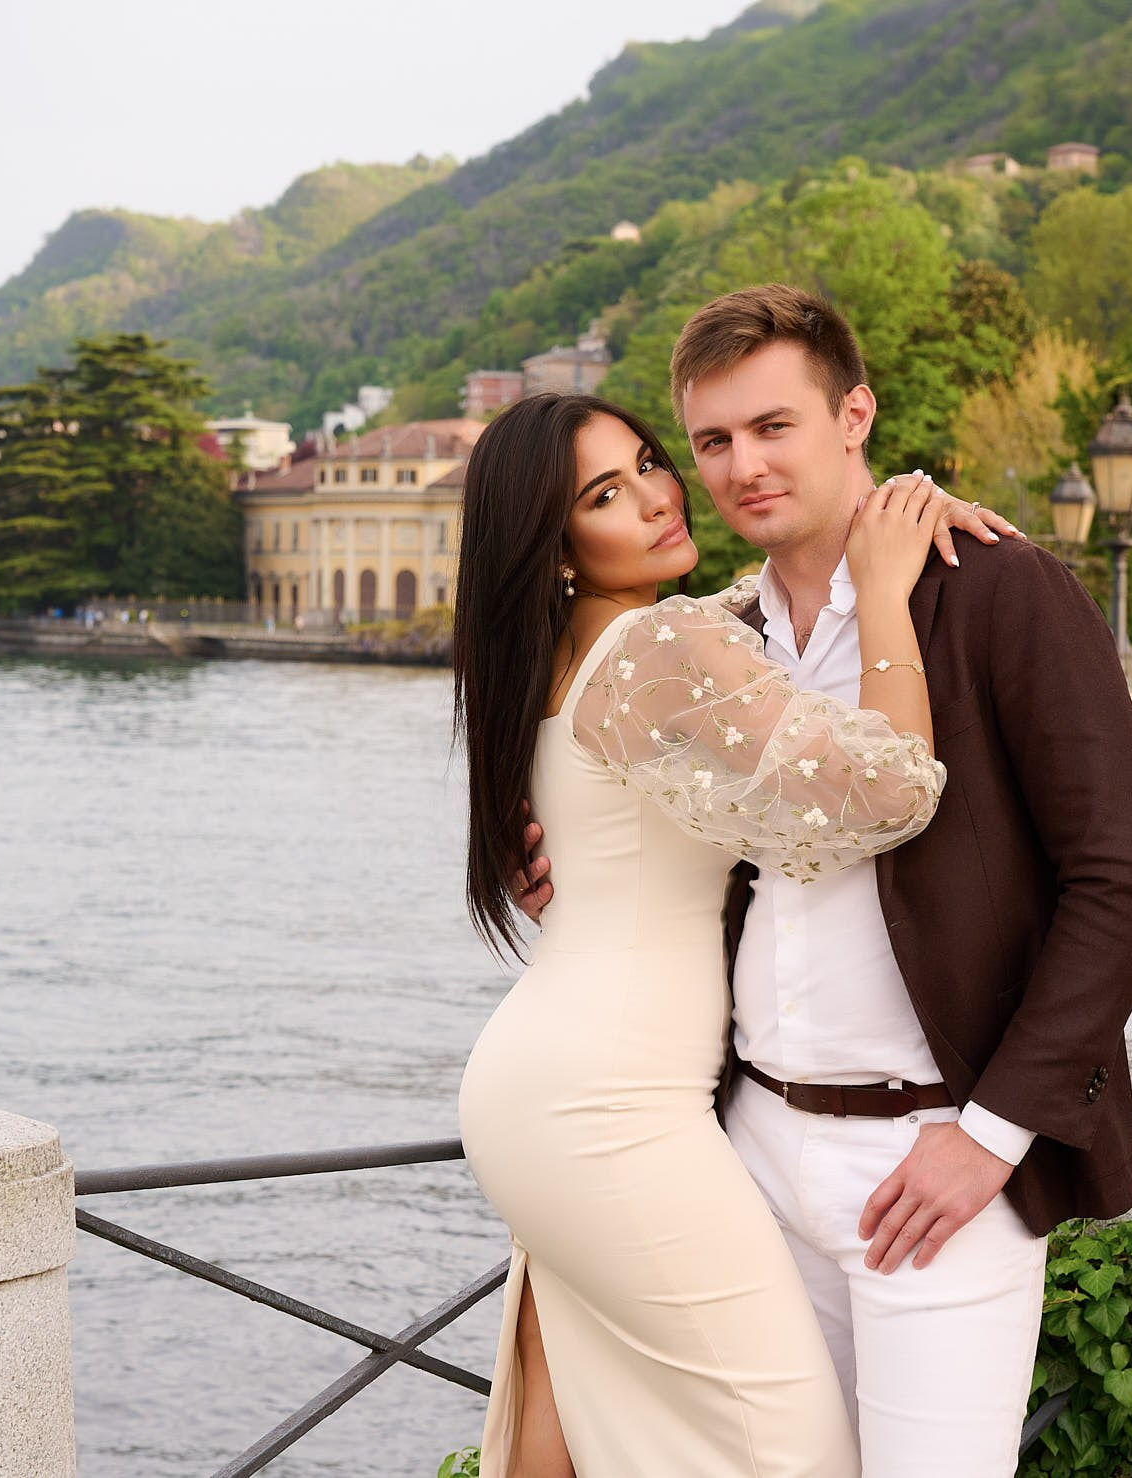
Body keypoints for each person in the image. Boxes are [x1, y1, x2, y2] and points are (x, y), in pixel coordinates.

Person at [521, 285, 1132, 1474]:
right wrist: (566, 856)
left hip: (933, 1155)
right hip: (747, 1151)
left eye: (773, 426)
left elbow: (1123, 875)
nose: (739, 466)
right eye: (711, 440)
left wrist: (991, 1132)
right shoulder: (715, 638)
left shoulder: (992, 587)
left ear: (853, 415)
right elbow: (666, 840)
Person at [453, 390, 1011, 1477]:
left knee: (559, 1424)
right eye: (604, 495)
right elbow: (888, 792)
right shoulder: (659, 645)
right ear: (556, 546)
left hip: (551, 1084)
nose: (659, 493)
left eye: (649, 461)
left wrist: (846, 538)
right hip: (605, 1105)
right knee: (786, 1447)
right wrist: (883, 586)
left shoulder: (558, 654)